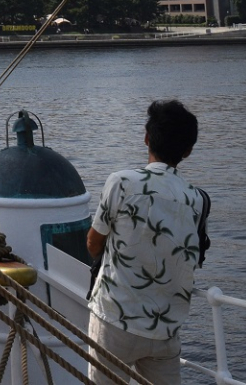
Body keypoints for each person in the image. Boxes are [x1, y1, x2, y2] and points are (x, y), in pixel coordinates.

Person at [85, 100, 206, 385]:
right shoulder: (196, 199)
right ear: (188, 151)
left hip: (116, 319)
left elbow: (93, 242)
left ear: (146, 137)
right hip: (165, 329)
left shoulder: (121, 182)